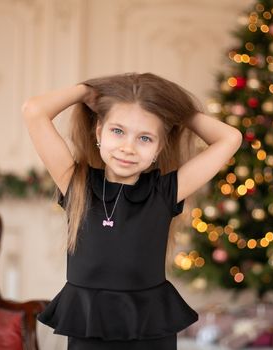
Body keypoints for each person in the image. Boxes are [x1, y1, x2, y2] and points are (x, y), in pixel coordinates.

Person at [21, 72, 242, 350]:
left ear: (160, 147)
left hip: (149, 324)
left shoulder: (164, 191)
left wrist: (177, 111)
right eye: (118, 131)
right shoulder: (76, 183)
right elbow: (34, 111)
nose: (128, 147)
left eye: (145, 138)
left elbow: (229, 138)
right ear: (99, 131)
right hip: (89, 319)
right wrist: (85, 92)